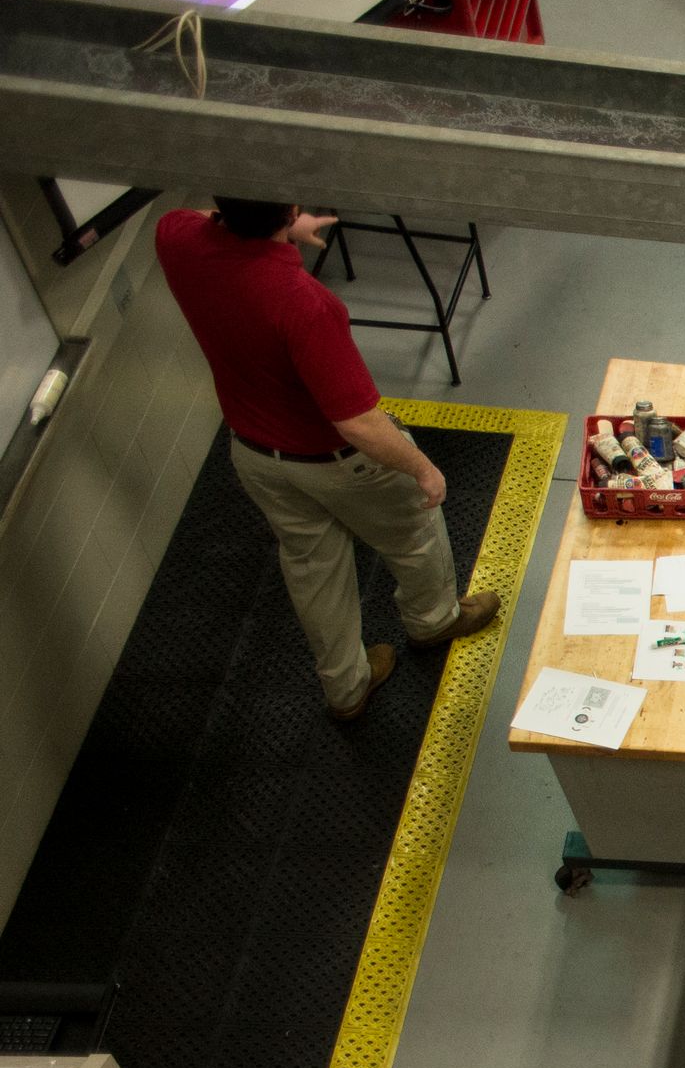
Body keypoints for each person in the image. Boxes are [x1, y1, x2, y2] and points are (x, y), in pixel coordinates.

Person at [153, 197, 501, 721]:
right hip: (338, 462)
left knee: (313, 567)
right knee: (412, 531)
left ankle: (346, 690)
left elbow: (208, 217)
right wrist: (421, 467)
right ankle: (433, 623)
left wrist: (281, 224)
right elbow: (356, 422)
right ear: (289, 210)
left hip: (254, 455)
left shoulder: (175, 237)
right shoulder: (304, 303)